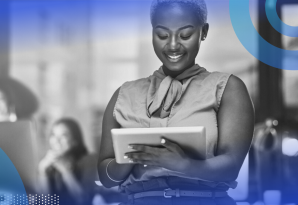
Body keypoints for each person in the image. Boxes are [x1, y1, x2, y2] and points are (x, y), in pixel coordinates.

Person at [97, 0, 255, 205]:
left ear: (203, 32)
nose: (172, 45)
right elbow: (105, 176)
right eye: (162, 35)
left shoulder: (227, 88)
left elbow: (231, 166)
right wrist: (130, 159)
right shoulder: (124, 94)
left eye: (185, 35)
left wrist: (184, 164)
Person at [38, 118, 97, 205]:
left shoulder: (88, 160)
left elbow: (83, 199)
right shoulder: (50, 165)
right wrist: (42, 171)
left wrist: (66, 171)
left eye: (63, 135)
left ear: (74, 141)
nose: (56, 140)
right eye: (53, 135)